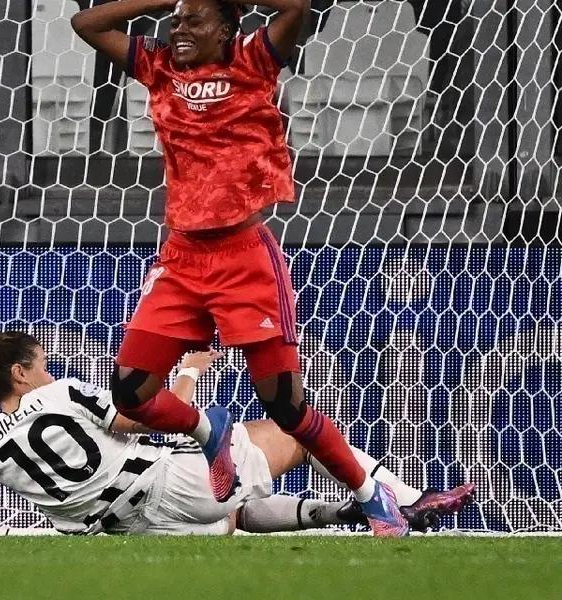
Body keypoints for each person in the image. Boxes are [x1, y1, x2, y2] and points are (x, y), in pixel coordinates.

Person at [70, 0, 411, 536]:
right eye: (176, 23)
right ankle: (212, 432)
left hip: (243, 255)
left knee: (284, 405)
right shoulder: (159, 68)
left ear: (228, 28)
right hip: (182, 257)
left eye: (195, 21)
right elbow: (86, 23)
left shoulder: (253, 61)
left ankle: (374, 498)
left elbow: (296, 7)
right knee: (130, 391)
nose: (180, 31)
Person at [0, 329, 475, 536]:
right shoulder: (60, 395)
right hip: (170, 484)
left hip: (136, 529)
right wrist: (191, 372)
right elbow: (139, 415)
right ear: (22, 373)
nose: (50, 368)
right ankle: (392, 497)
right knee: (294, 424)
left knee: (237, 511)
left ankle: (338, 511)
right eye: (40, 361)